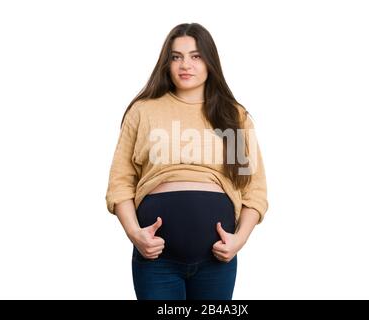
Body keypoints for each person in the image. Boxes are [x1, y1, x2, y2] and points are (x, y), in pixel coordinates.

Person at [105, 22, 268, 300]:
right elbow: (120, 184)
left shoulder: (233, 116)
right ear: (166, 63)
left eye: (196, 56)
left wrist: (239, 240)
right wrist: (135, 234)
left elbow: (254, 190)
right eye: (176, 56)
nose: (185, 65)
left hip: (217, 261)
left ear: (210, 61)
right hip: (156, 260)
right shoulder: (143, 111)